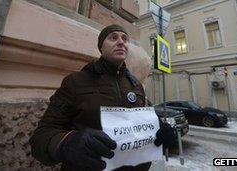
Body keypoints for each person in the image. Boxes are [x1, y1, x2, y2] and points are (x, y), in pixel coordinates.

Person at [29, 24, 175, 171]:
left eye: (125, 39)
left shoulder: (136, 85)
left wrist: (161, 131)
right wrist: (68, 142)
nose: (121, 42)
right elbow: (41, 137)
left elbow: (146, 125)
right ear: (101, 47)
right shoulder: (75, 82)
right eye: (113, 38)